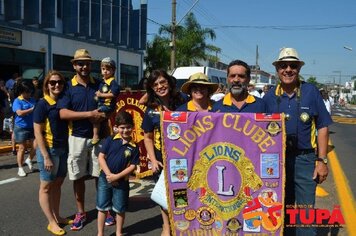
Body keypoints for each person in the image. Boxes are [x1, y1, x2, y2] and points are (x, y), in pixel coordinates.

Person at [263, 47, 332, 236]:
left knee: (304, 211)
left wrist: (322, 161)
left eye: (292, 65)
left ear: (299, 69)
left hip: (305, 159)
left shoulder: (310, 91)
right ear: (277, 69)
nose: (288, 69)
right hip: (277, 161)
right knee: (279, 207)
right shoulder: (269, 96)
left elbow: (323, 126)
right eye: (283, 65)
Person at [57, 49, 108, 231]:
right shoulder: (68, 88)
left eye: (87, 63)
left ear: (90, 64)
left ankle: (104, 208)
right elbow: (62, 113)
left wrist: (102, 115)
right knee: (78, 177)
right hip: (77, 138)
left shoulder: (100, 85)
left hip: (99, 137)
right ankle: (81, 212)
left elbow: (108, 106)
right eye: (80, 63)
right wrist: (89, 114)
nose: (84, 66)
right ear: (74, 65)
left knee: (100, 176)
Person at [142, 69, 185, 236]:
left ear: (169, 82)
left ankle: (182, 223)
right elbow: (147, 137)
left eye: (162, 82)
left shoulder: (183, 101)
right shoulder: (151, 110)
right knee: (164, 194)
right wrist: (153, 160)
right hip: (162, 159)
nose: (160, 86)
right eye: (156, 84)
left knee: (182, 193)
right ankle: (166, 226)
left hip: (183, 157)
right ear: (152, 89)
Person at [33, 71, 71, 236]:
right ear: (47, 85)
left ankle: (57, 216)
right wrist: (46, 156)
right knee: (46, 187)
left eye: (60, 83)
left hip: (64, 149)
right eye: (53, 82)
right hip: (49, 150)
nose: (56, 85)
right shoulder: (42, 104)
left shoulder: (63, 102)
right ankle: (51, 222)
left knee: (58, 184)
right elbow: (38, 132)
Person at [96, 111, 139, 236]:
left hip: (122, 181)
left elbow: (133, 166)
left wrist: (117, 177)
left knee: (120, 209)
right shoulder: (110, 140)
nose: (125, 130)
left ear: (133, 127)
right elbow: (101, 157)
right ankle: (100, 233)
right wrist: (110, 175)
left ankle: (119, 232)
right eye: (122, 127)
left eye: (128, 127)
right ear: (116, 127)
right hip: (105, 178)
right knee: (102, 207)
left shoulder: (134, 147)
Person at [89, 57, 120, 147]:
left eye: (108, 69)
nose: (105, 71)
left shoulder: (112, 82)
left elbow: (114, 94)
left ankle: (95, 136)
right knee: (101, 121)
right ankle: (104, 137)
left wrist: (101, 95)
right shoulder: (102, 82)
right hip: (102, 104)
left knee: (95, 118)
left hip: (108, 105)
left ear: (113, 70)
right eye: (103, 69)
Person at [12, 80, 36, 177]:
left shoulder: (32, 99)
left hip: (33, 126)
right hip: (21, 127)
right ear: (21, 91)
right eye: (27, 91)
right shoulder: (17, 101)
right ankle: (20, 168)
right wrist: (32, 109)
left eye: (30, 91)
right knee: (22, 148)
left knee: (36, 145)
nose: (29, 93)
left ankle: (29, 159)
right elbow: (19, 113)